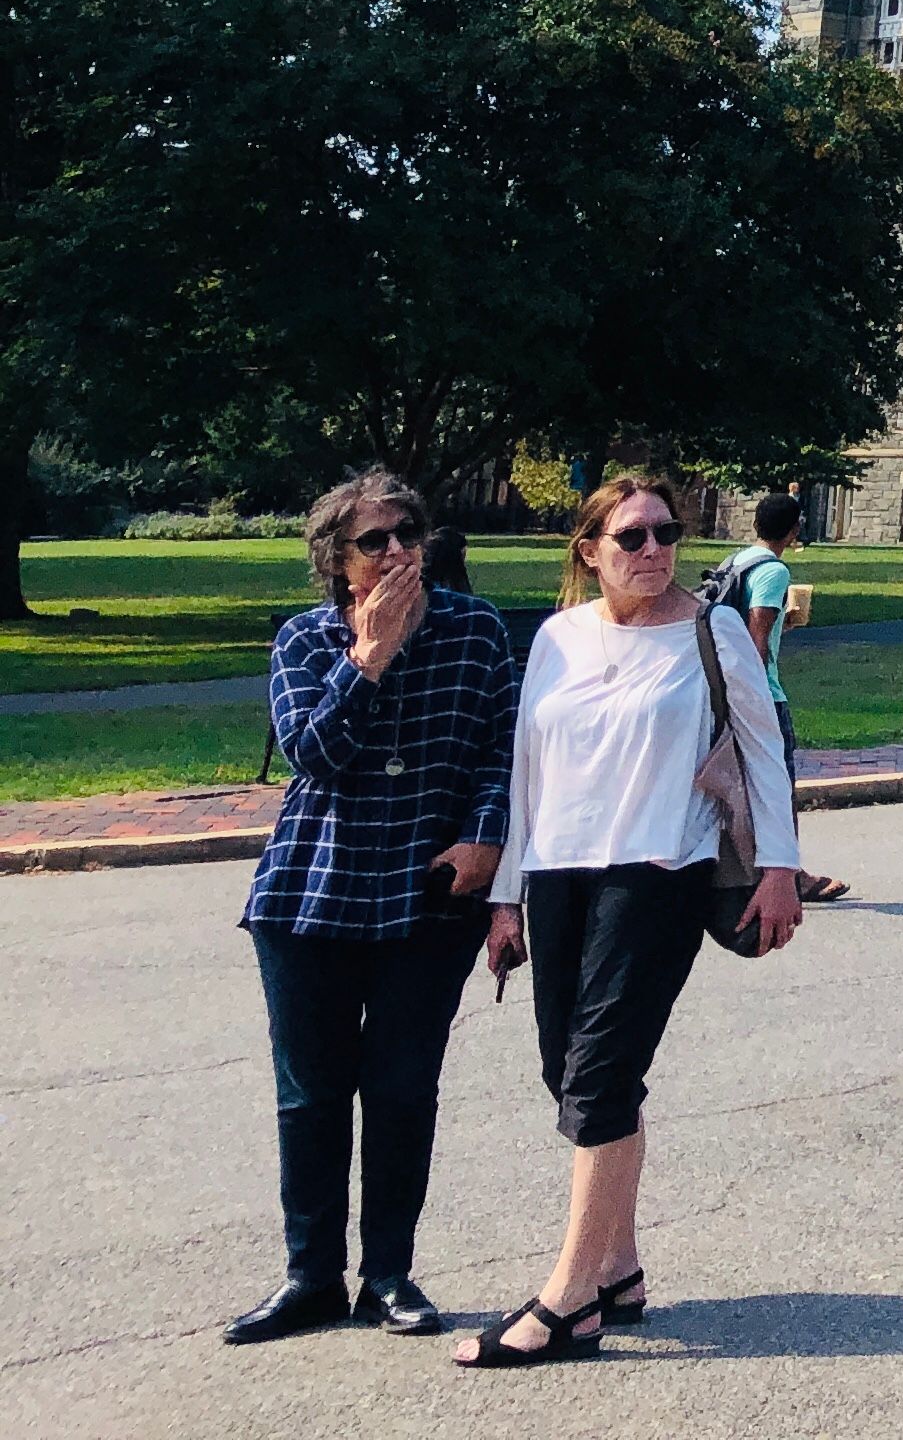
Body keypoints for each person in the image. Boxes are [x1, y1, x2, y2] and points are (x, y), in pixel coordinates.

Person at [454, 475, 801, 1368]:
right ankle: (618, 1267)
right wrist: (507, 895)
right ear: (590, 551)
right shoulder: (558, 639)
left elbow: (763, 753)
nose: (653, 551)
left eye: (665, 534)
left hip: (660, 875)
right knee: (565, 1070)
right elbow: (528, 768)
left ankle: (569, 1297)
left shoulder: (711, 630)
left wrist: (780, 871)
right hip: (560, 873)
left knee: (600, 1076)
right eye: (632, 537)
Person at [227, 471, 521, 1345]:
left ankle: (388, 1276)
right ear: (336, 560)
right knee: (310, 1096)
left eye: (408, 534)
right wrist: (371, 653)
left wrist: (485, 839)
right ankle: (310, 1278)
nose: (396, 551)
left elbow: (505, 753)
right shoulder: (305, 640)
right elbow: (315, 755)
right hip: (311, 893)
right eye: (374, 541)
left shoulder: (477, 633)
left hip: (428, 896)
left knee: (401, 1092)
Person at [723, 492, 850, 904]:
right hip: (763, 695)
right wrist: (754, 698)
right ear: (794, 528)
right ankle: (791, 875)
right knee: (778, 785)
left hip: (726, 686)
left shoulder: (737, 561)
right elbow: (757, 635)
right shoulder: (774, 571)